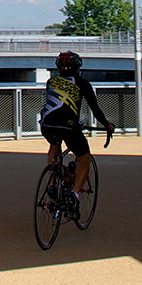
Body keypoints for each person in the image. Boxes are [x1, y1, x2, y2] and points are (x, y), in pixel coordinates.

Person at [41, 50, 113, 199]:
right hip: (69, 127)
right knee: (84, 158)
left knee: (54, 145)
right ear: (78, 68)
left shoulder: (51, 82)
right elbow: (95, 109)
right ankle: (74, 194)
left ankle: (52, 185)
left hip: (46, 125)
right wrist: (107, 125)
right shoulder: (82, 83)